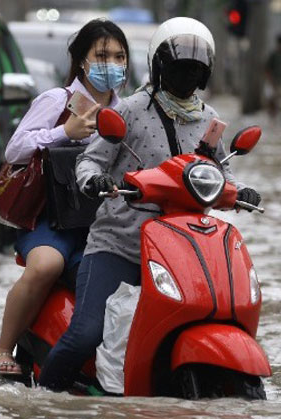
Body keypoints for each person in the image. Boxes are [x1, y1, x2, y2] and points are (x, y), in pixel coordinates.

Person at [38, 17, 263, 391]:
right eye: (180, 67)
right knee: (85, 335)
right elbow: (90, 160)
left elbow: (219, 173)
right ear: (160, 67)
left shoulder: (209, 121)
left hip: (184, 251)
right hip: (120, 245)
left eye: (195, 69)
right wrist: (95, 180)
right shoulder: (130, 110)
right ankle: (44, 401)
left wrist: (241, 192)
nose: (188, 75)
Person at [0, 19, 130, 375]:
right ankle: (3, 349)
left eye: (119, 56)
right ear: (82, 60)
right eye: (102, 56)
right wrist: (63, 132)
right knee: (46, 266)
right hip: (49, 219)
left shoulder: (128, 111)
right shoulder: (57, 100)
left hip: (103, 224)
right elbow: (14, 150)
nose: (111, 64)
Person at [264, 34, 281, 121]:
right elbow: (267, 68)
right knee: (272, 99)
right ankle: (273, 117)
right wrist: (270, 80)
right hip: (274, 80)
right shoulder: (273, 54)